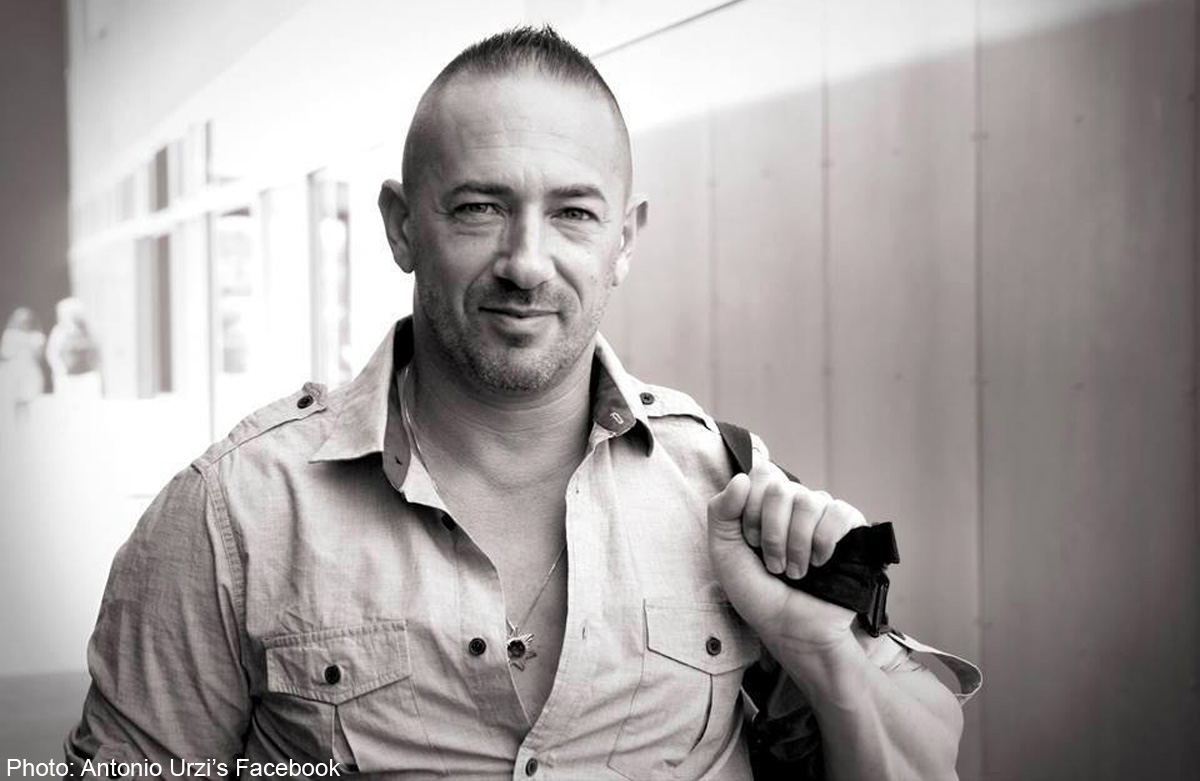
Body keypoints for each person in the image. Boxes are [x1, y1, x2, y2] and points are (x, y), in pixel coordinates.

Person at [66, 27, 979, 779]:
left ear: (625, 238)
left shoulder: (726, 484)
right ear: (401, 226)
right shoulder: (233, 514)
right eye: (479, 207)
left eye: (574, 213)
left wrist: (820, 651)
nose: (527, 263)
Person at [45, 297, 102, 398]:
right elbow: (52, 353)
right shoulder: (60, 331)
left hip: (87, 376)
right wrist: (60, 370)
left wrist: (95, 368)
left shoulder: (88, 330)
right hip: (67, 377)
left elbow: (96, 351)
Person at [0, 307, 47, 418]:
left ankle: (28, 424)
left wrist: (26, 342)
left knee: (29, 400)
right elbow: (5, 353)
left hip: (30, 372)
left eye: (26, 321)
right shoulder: (9, 335)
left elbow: (38, 356)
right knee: (14, 401)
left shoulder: (37, 337)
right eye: (20, 320)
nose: (23, 323)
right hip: (13, 372)